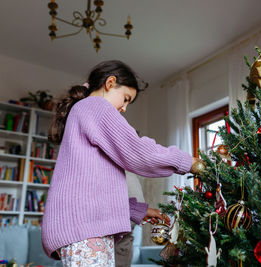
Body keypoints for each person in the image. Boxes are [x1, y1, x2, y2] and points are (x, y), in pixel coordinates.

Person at [42, 60, 198, 266]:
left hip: (84, 229)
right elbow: (138, 151)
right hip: (86, 230)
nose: (124, 108)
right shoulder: (95, 106)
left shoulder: (84, 110)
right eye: (125, 99)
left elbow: (93, 188)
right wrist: (188, 162)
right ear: (110, 83)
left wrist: (137, 211)